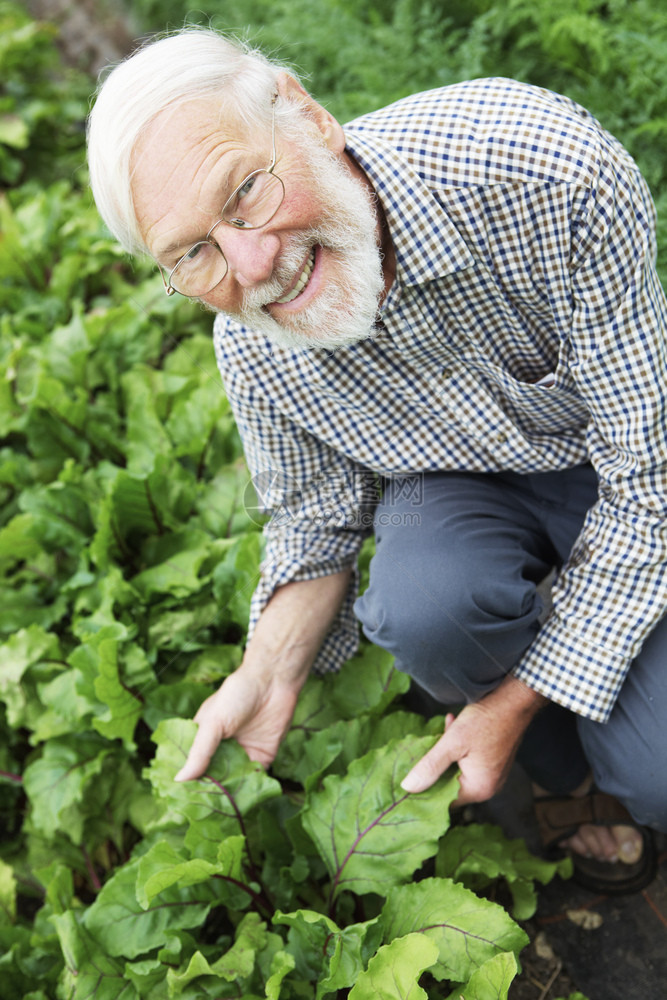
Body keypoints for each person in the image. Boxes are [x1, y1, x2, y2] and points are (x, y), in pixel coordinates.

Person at [87, 27, 667, 893]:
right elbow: (315, 517)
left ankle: (543, 734)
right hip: (459, 496)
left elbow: (650, 480)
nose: (252, 265)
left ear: (307, 116)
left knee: (658, 771)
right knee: (424, 603)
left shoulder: (545, 174)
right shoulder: (251, 347)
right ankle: (565, 778)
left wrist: (515, 694)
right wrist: (268, 669)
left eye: (244, 190)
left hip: (624, 460)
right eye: (193, 252)